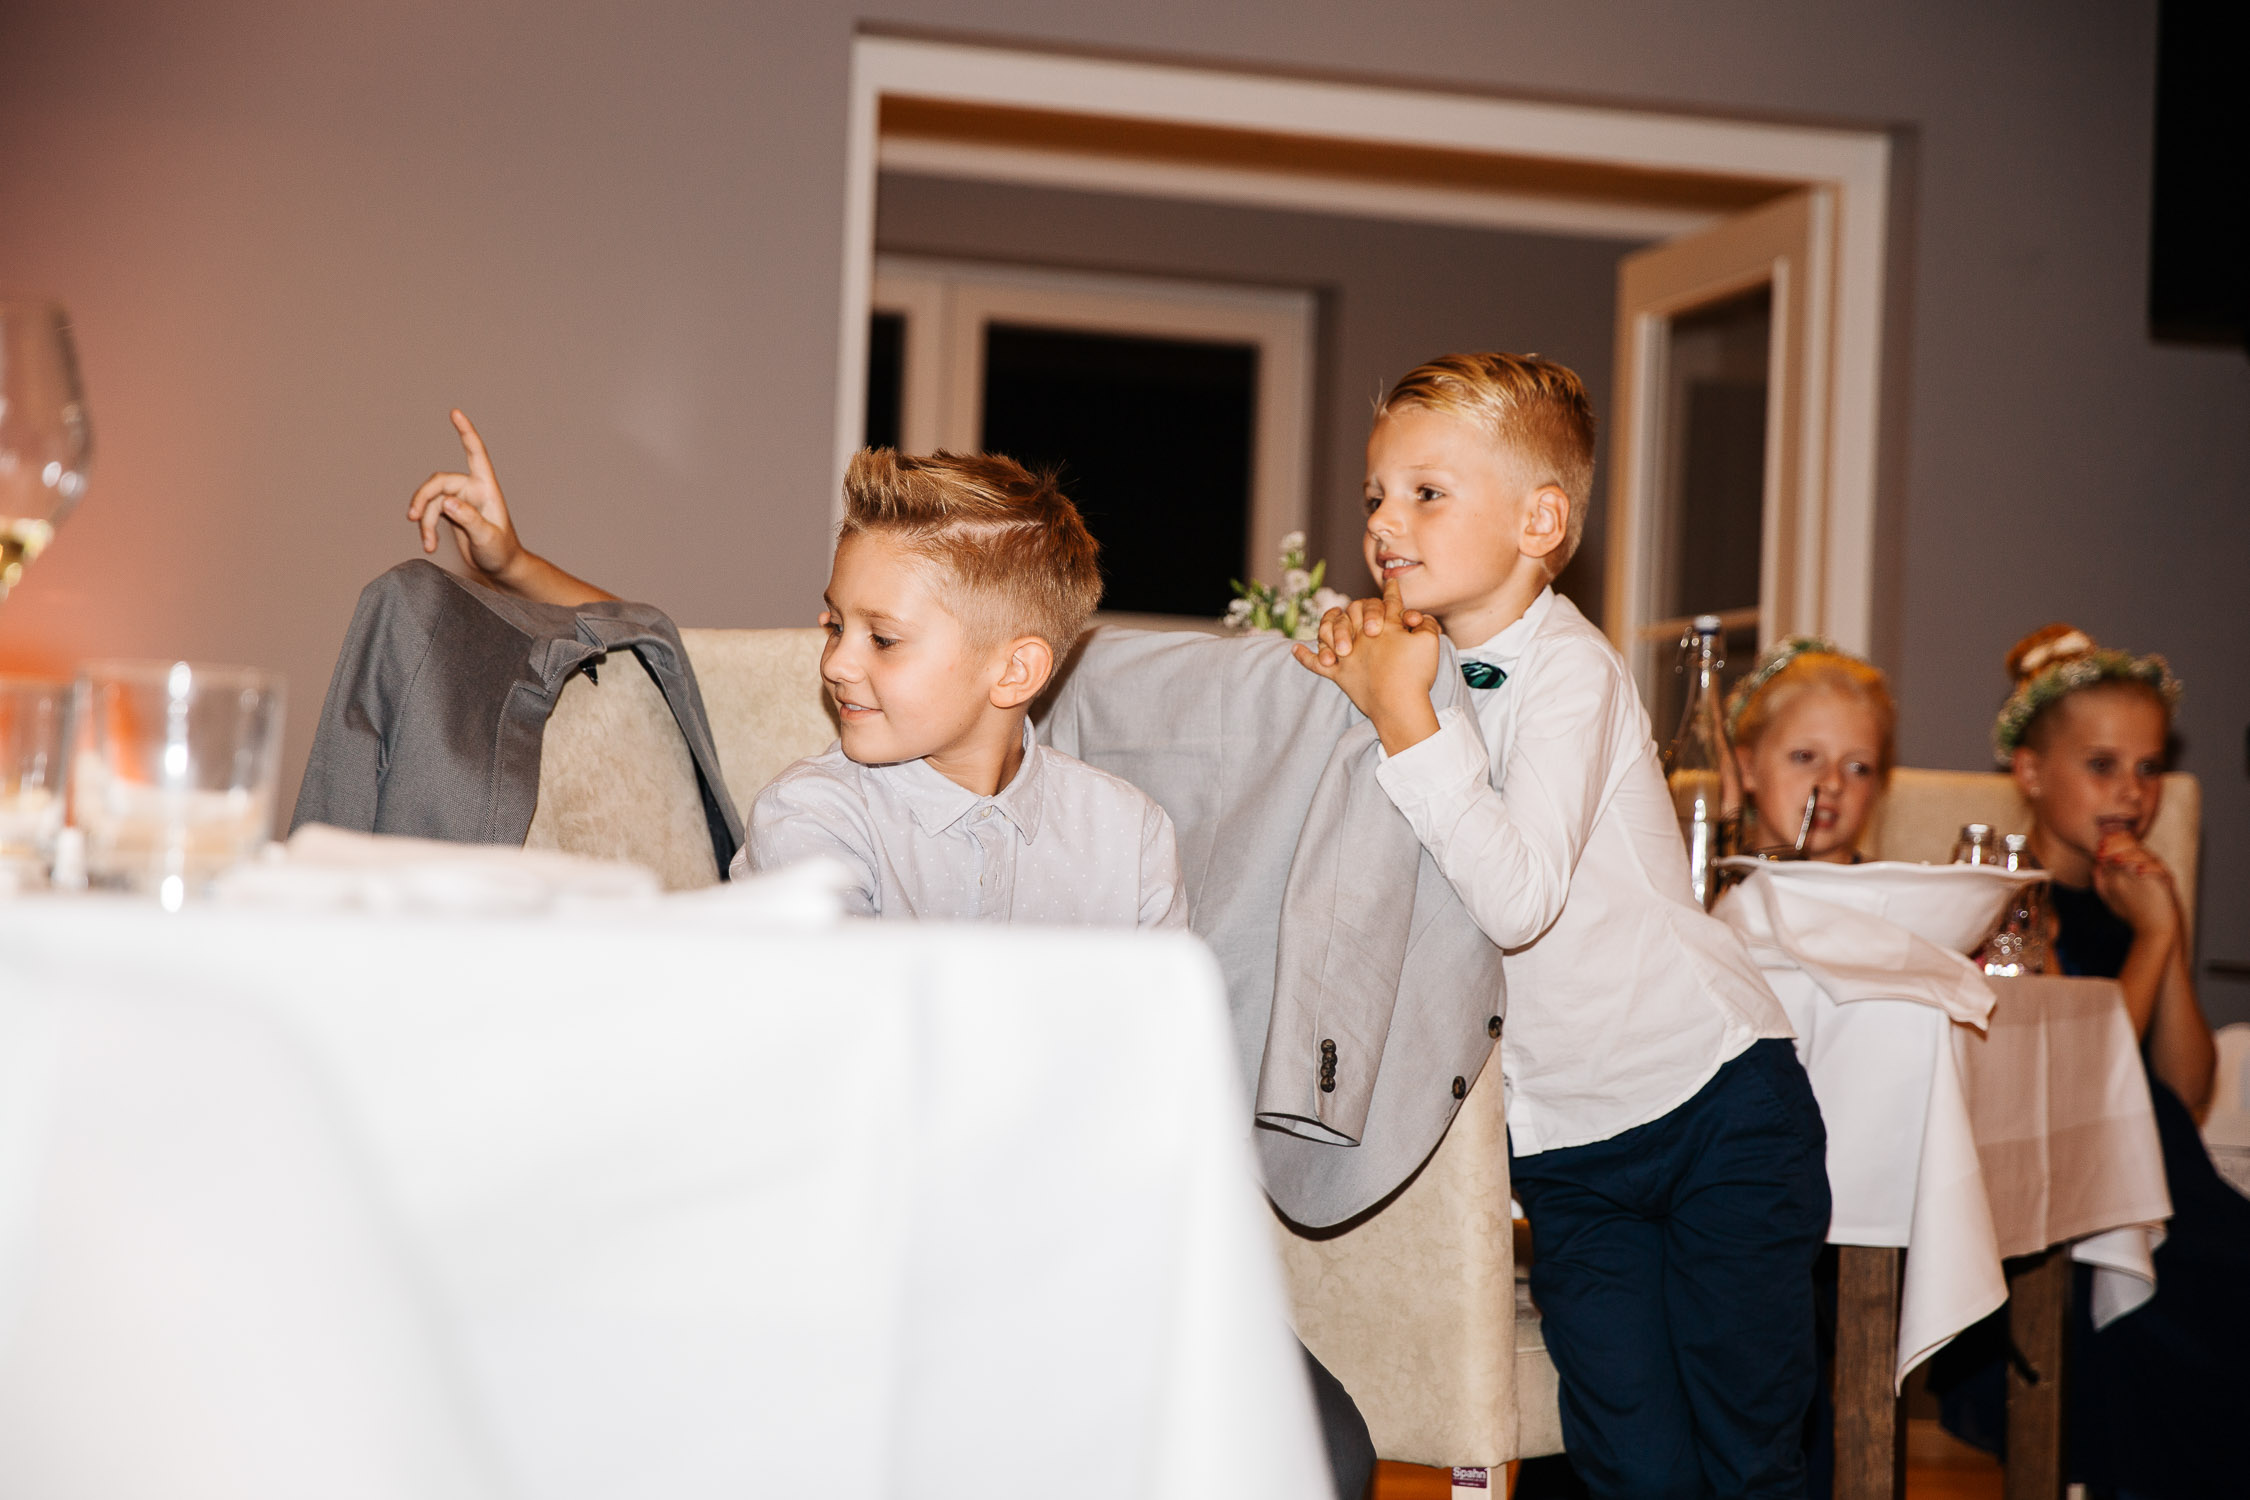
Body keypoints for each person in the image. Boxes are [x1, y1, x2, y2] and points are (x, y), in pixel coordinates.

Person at [407, 411, 1378, 1496]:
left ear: (1015, 670)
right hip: (858, 1255)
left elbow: (1159, 1092)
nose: (836, 664)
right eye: (833, 625)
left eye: (881, 637)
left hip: (1071, 1259)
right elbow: (857, 1071)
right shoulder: (814, 816)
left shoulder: (1128, 836)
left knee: (1324, 1447)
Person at [1300, 353, 1828, 1500]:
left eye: (1426, 493)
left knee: (1751, 1450)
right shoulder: (1416, 670)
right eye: (1375, 497)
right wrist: (1370, 698)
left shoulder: (1571, 671)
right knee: (1627, 1459)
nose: (1386, 522)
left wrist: (1399, 711)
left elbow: (1520, 896)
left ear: (1542, 520)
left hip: (1716, 1107)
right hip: (1564, 1152)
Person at [1932, 623, 2247, 1499]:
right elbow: (2079, 1083)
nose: (2133, 793)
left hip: (2163, 1180)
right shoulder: (2007, 905)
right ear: (2030, 773)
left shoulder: (2134, 894)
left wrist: (2164, 927)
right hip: (2066, 1214)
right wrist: (2151, 940)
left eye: (2148, 768)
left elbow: (2181, 1095)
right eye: (2103, 766)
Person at [1726, 637, 1896, 863]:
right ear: (1747, 767)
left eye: (1858, 768)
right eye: (1805, 757)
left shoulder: (1903, 896)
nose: (1833, 783)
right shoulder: (1701, 891)